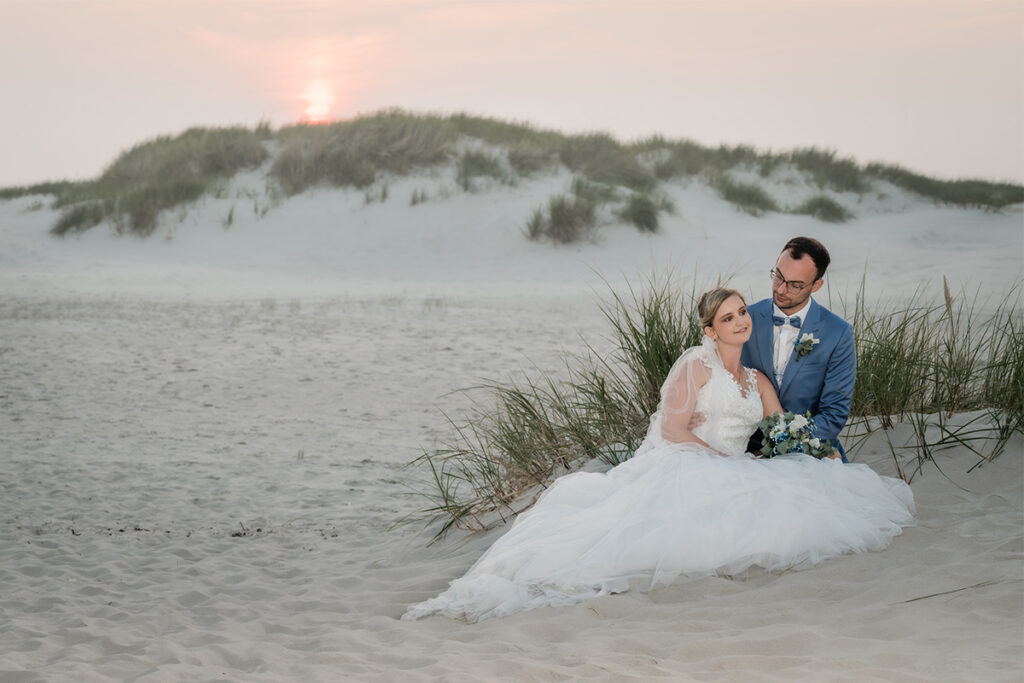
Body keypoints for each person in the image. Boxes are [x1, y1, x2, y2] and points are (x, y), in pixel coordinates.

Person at [403, 288, 913, 623]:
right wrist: (723, 459)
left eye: (741, 313)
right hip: (690, 460)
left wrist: (806, 447)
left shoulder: (757, 380)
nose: (740, 322)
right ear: (710, 330)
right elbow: (672, 428)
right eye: (727, 317)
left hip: (738, 465)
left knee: (801, 493)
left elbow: (779, 427)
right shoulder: (697, 365)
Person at [740, 236, 856, 461]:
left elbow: (833, 415)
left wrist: (781, 446)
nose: (781, 289)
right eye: (778, 276)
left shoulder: (838, 333)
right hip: (746, 446)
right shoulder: (745, 319)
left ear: (817, 285)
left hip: (812, 448)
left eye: (795, 285)